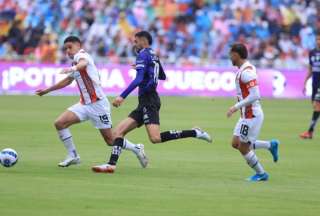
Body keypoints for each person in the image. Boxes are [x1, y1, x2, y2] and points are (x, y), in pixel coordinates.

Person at [91, 31, 212, 173]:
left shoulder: (142, 54)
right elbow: (162, 75)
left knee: (155, 138)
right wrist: (146, 69)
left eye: (136, 41)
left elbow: (139, 79)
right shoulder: (153, 54)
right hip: (145, 100)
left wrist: (122, 96)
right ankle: (111, 164)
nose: (134, 44)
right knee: (117, 133)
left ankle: (194, 132)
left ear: (143, 40)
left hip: (149, 100)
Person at [35, 36, 146, 167]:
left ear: (78, 45)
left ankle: (136, 148)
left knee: (110, 141)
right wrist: (47, 90)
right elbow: (67, 81)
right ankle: (73, 155)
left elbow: (83, 63)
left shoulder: (82, 56)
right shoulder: (75, 63)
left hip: (98, 105)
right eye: (66, 49)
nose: (68, 51)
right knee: (60, 123)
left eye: (70, 47)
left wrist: (72, 68)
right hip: (84, 104)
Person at [227, 43, 279, 182]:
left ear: (236, 55)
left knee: (243, 147)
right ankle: (270, 145)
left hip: (252, 115)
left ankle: (262, 174)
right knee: (235, 143)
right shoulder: (245, 69)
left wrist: (235, 106)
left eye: (231, 54)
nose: (229, 57)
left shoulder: (246, 72)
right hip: (245, 114)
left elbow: (255, 95)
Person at [300, 32, 320, 139]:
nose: (318, 41)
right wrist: (305, 82)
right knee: (315, 106)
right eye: (317, 39)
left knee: (317, 105)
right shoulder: (312, 52)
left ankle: (309, 132)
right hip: (315, 83)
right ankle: (310, 132)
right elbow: (310, 69)